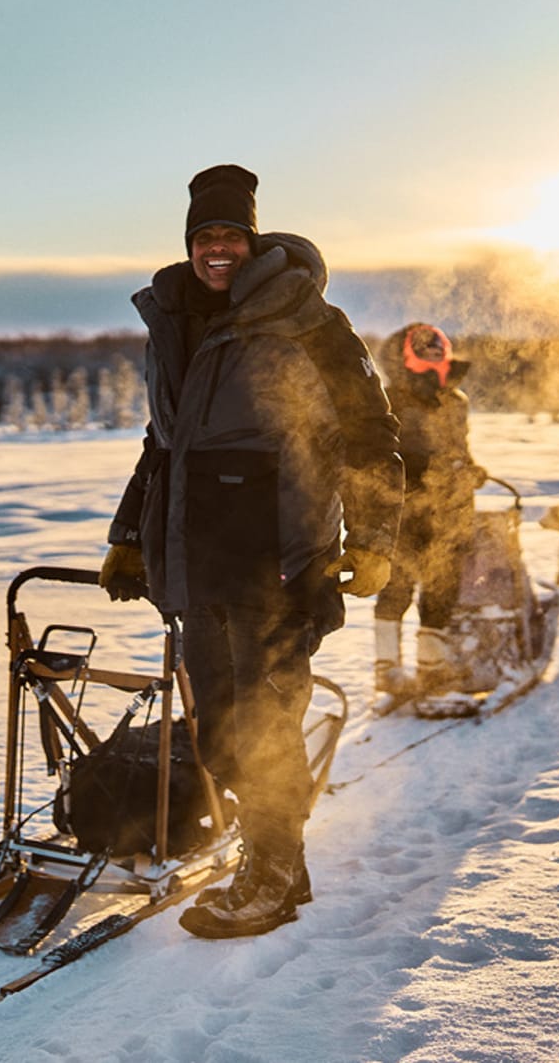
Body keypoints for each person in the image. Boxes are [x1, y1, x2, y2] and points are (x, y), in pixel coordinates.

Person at [99, 164, 403, 939]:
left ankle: (272, 875)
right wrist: (129, 538)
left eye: (231, 235)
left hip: (278, 564)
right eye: (204, 236)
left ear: (253, 241)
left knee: (264, 726)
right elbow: (163, 444)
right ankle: (272, 861)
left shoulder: (307, 320)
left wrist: (373, 539)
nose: (217, 249)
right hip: (197, 565)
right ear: (189, 244)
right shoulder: (175, 318)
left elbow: (369, 435)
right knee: (221, 735)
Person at [371, 322, 484, 705]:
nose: (435, 356)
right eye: (425, 350)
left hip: (450, 511)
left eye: (439, 350)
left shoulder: (456, 400)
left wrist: (470, 470)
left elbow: (458, 450)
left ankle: (432, 667)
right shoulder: (389, 400)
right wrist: (420, 475)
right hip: (404, 508)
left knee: (441, 587)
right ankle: (387, 669)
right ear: (406, 355)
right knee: (396, 586)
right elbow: (382, 457)